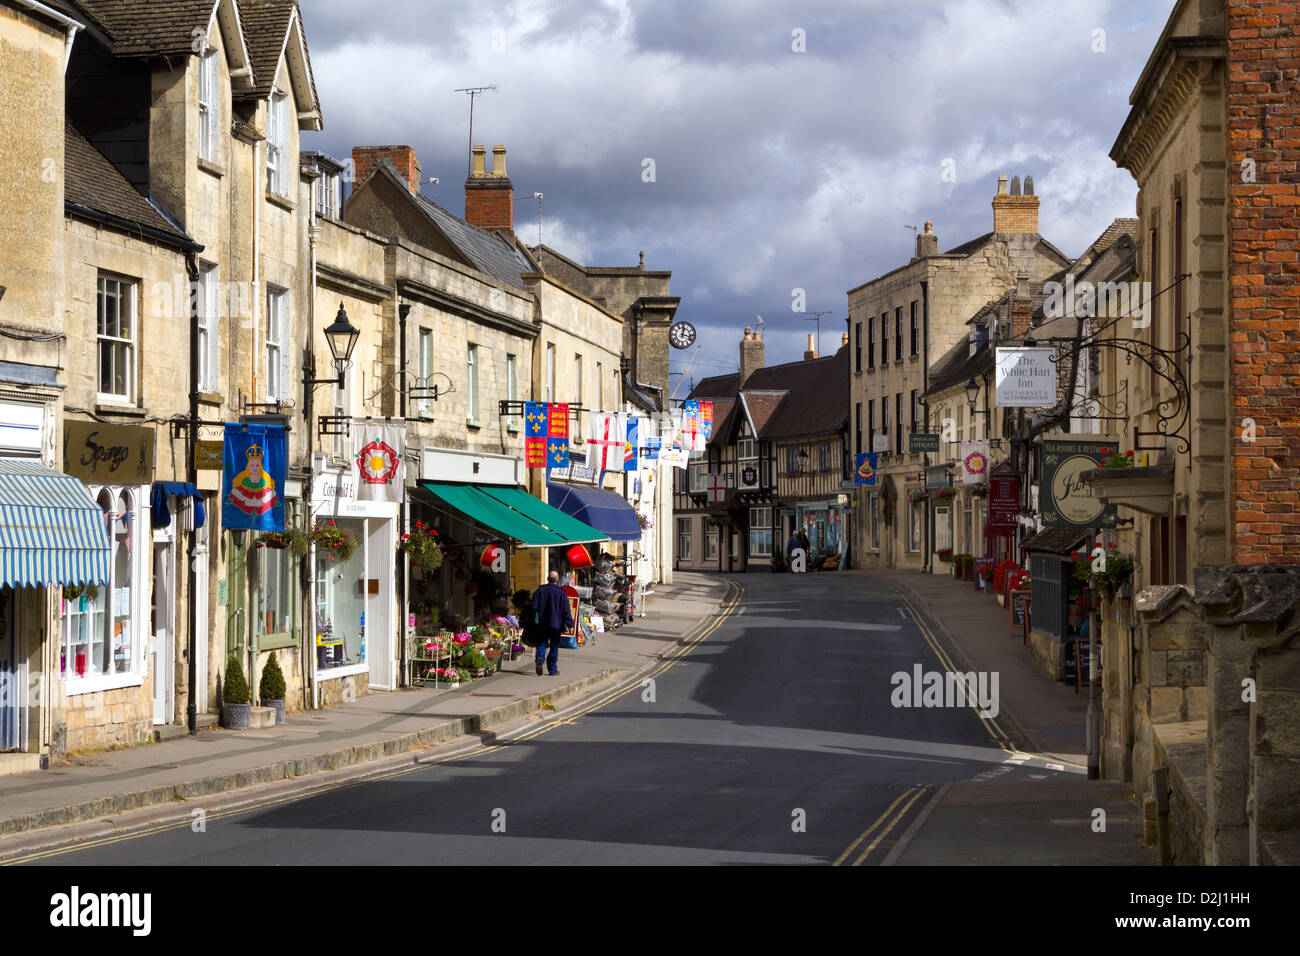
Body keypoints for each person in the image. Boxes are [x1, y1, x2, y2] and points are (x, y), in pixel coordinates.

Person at [529, 570, 573, 676]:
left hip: (542, 623)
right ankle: (552, 670)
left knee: (542, 643)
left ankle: (540, 657)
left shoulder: (540, 590)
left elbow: (533, 607)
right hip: (556, 624)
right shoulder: (561, 593)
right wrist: (570, 624)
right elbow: (566, 610)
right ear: (557, 580)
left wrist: (534, 618)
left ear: (548, 579)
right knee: (554, 646)